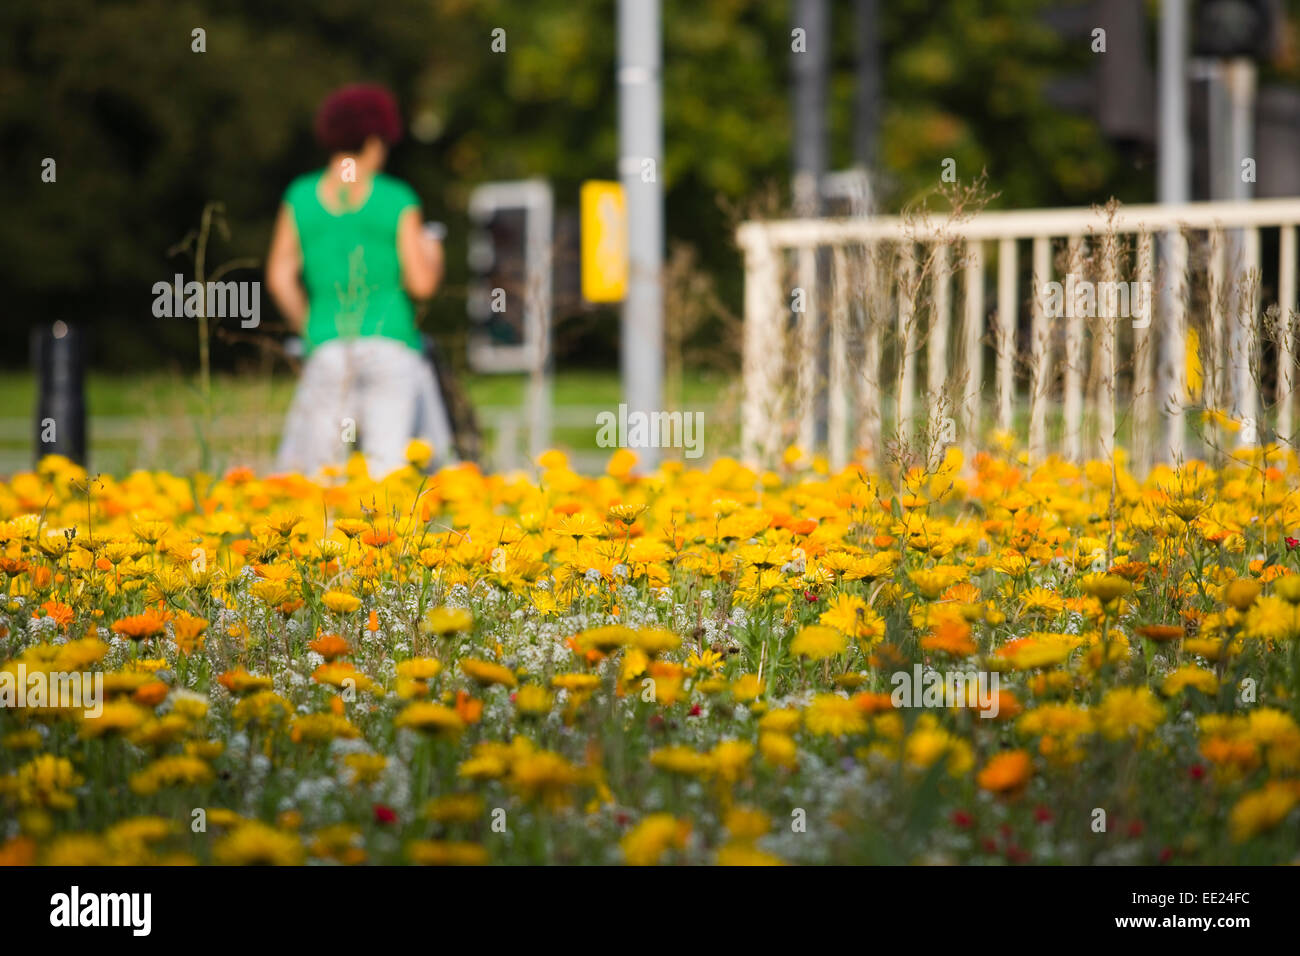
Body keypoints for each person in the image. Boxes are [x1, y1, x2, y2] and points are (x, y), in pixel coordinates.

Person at [266, 83, 456, 479]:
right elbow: (421, 284)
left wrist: (313, 330)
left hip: (328, 347)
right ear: (373, 142)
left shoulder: (300, 196)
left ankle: (325, 540)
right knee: (387, 470)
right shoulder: (395, 198)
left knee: (323, 475)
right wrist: (434, 254)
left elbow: (280, 277)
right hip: (391, 346)